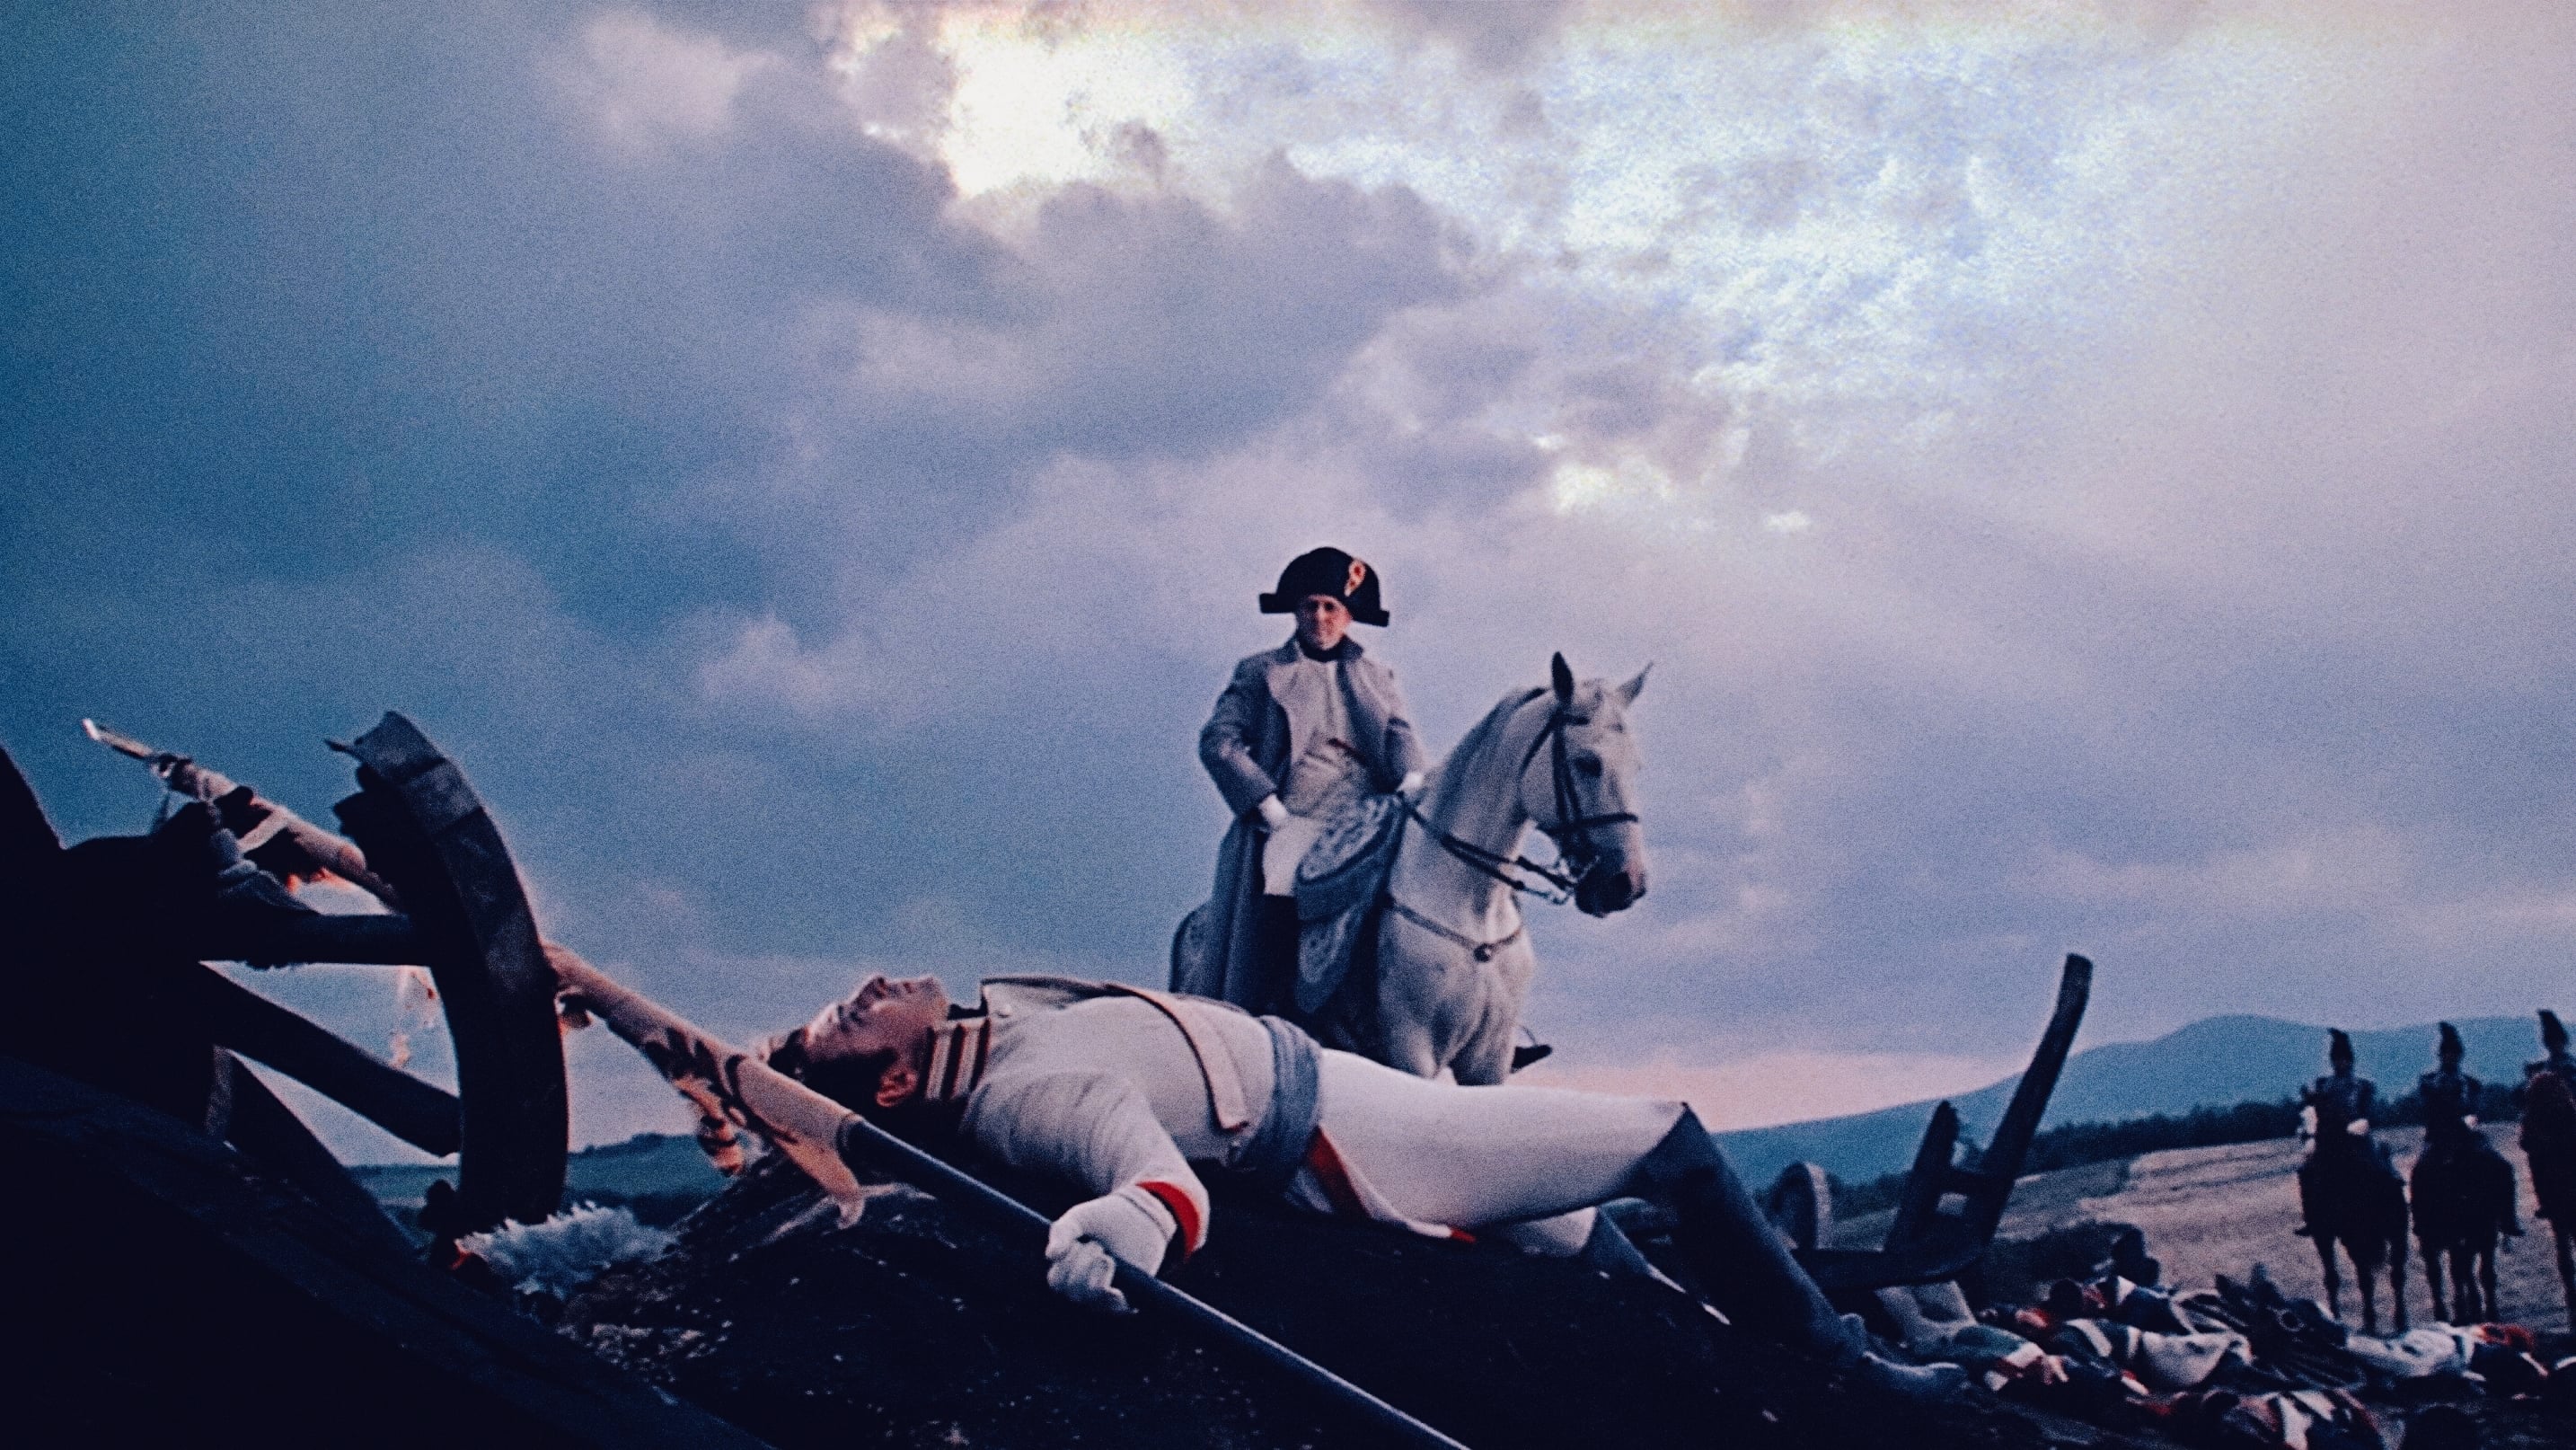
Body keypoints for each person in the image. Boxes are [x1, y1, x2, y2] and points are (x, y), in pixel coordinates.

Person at [759, 968, 1967, 1401]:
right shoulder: (1024, 1094)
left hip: (1341, 1077)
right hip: (1357, 1134)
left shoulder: (1006, 1026)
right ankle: (1852, 1369)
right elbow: (1154, 1182)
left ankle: (1757, 1362)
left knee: (1579, 1233)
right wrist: (1128, 1221)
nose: (866, 988)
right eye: (852, 1019)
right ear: (896, 1082)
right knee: (1670, 1139)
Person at [1178, 547, 1427, 1013]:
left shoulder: (1378, 676)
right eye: (1311, 605)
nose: (1320, 617)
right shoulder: (1260, 671)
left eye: (1331, 607)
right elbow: (1218, 741)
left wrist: (1412, 778)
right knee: (1282, 891)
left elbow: (1399, 734)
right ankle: (1270, 1004)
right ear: (1296, 610)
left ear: (1348, 616)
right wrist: (1265, 803)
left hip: (1366, 815)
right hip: (1294, 814)